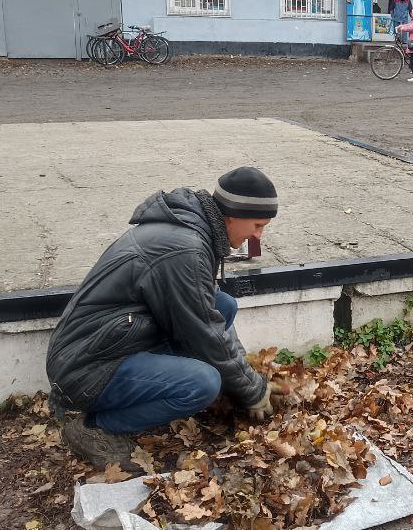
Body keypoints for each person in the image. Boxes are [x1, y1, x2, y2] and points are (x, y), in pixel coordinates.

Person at [46, 167, 278, 467]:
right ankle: (95, 428)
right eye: (257, 225)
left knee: (223, 304)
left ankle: (218, 389)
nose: (258, 235)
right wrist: (252, 390)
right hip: (86, 367)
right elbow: (205, 332)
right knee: (203, 383)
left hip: (116, 342)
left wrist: (244, 382)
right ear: (232, 214)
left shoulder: (193, 229)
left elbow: (209, 316)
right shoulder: (185, 249)